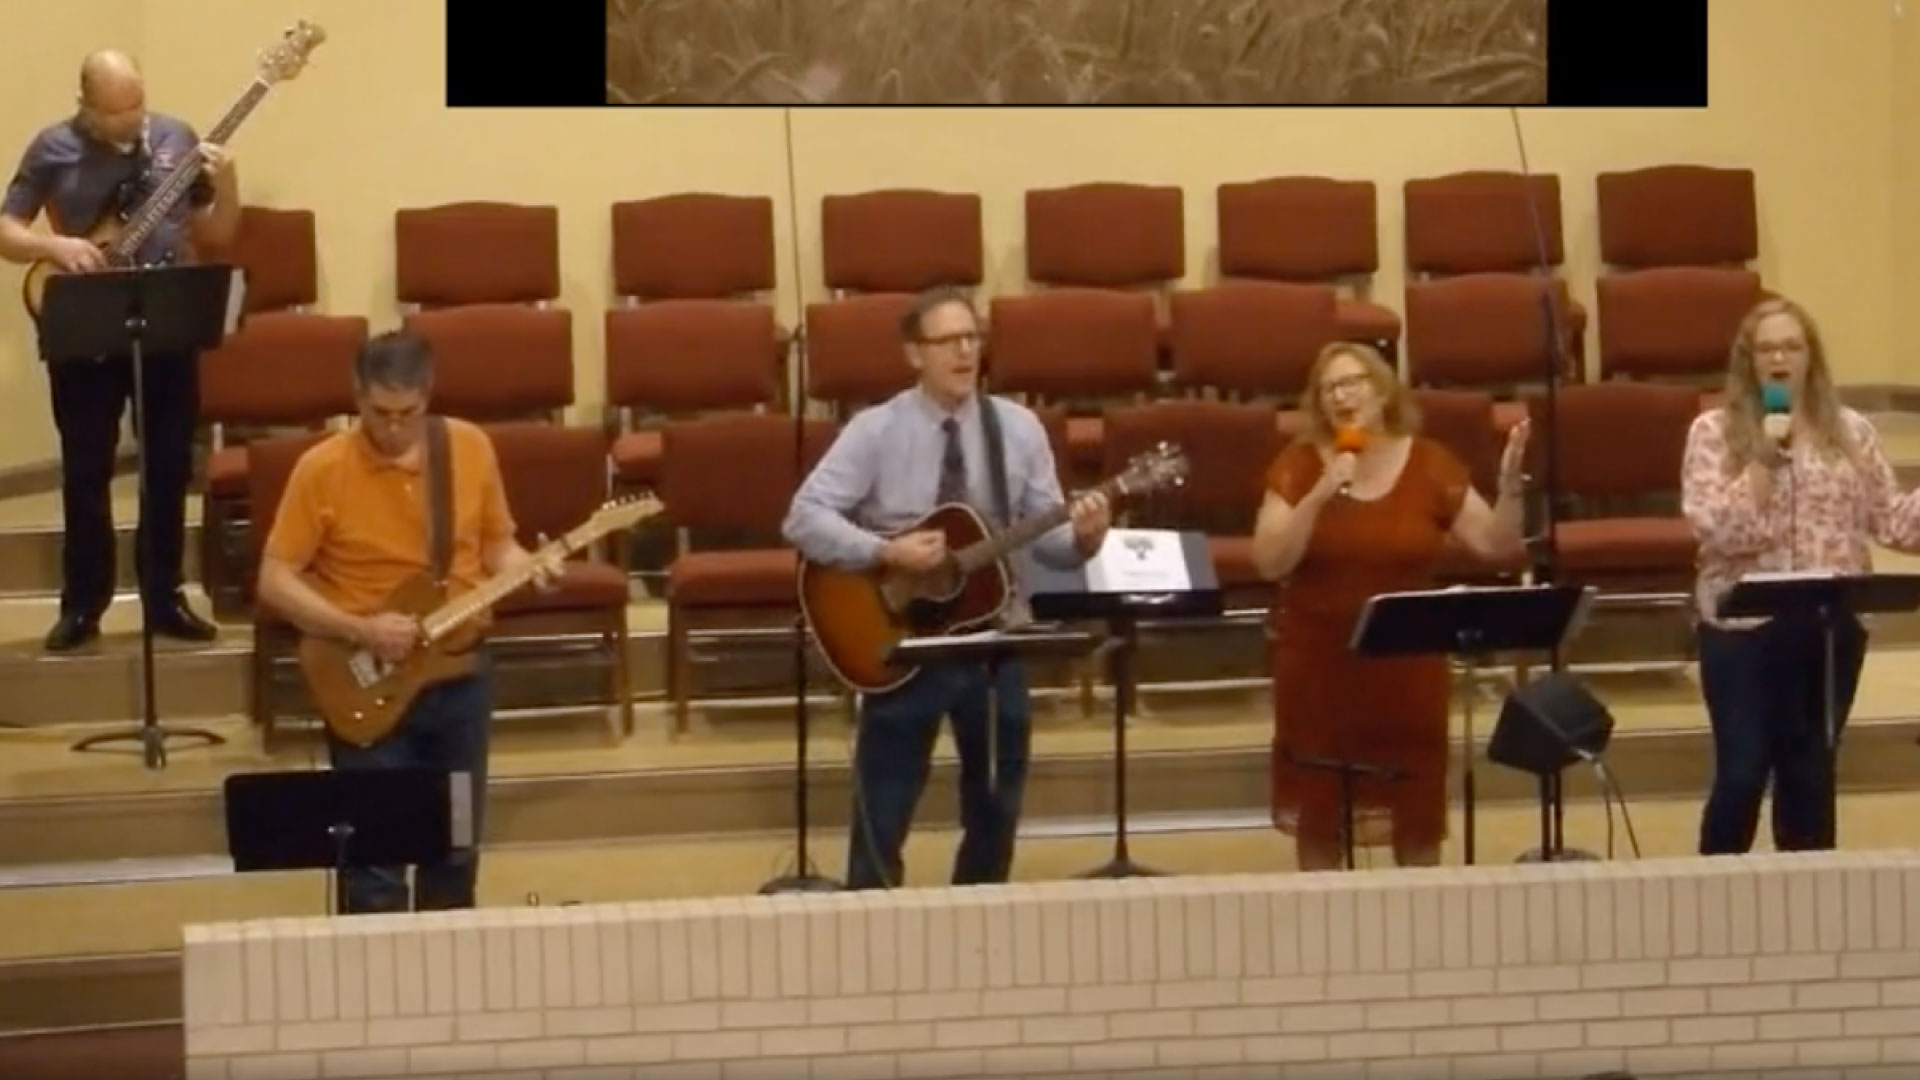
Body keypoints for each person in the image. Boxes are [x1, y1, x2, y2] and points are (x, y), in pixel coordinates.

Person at [783, 286, 1112, 890]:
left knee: (997, 801)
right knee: (884, 805)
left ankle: (976, 916)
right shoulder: (875, 430)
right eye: (947, 342)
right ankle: (871, 920)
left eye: (973, 339)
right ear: (914, 354)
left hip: (993, 639)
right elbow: (804, 517)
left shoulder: (1017, 428)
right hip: (901, 637)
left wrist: (1086, 538)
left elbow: (1046, 541)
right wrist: (885, 550)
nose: (964, 353)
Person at [256, 331, 562, 913]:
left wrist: (531, 567)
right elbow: (275, 580)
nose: (393, 428)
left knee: (456, 848)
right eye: (378, 414)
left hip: (461, 676)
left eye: (408, 414)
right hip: (369, 674)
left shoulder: (470, 448)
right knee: (375, 864)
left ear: (428, 397)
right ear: (356, 397)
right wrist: (359, 629)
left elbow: (499, 546)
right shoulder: (320, 469)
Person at [1251, 342, 1529, 871]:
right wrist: (1318, 495)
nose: (1341, 396)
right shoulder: (1299, 463)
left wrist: (1512, 487)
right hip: (1319, 670)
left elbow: (1495, 545)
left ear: (1381, 391)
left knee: (1415, 823)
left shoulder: (1428, 463)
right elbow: (1269, 561)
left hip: (1407, 675)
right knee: (1321, 822)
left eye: (1352, 383)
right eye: (1329, 388)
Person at [0, 50, 240, 652]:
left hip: (167, 312)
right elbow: (6, 229)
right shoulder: (52, 148)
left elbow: (218, 233)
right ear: (86, 107)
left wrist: (228, 179)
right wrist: (54, 248)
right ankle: (83, 604)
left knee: (166, 463)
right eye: (118, 111)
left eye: (138, 102)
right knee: (87, 468)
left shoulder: (176, 138)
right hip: (86, 318)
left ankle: (165, 597)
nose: (135, 119)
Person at [1681, 297, 1920, 855]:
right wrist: (1764, 460)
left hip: (1827, 627)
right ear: (1749, 361)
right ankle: (1713, 900)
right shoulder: (1713, 433)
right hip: (1741, 630)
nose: (1780, 358)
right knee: (1742, 771)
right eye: (1767, 349)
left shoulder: (1851, 433)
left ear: (1811, 356)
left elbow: (1894, 521)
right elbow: (1716, 530)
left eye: (1792, 346)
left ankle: (1807, 917)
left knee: (1810, 774)